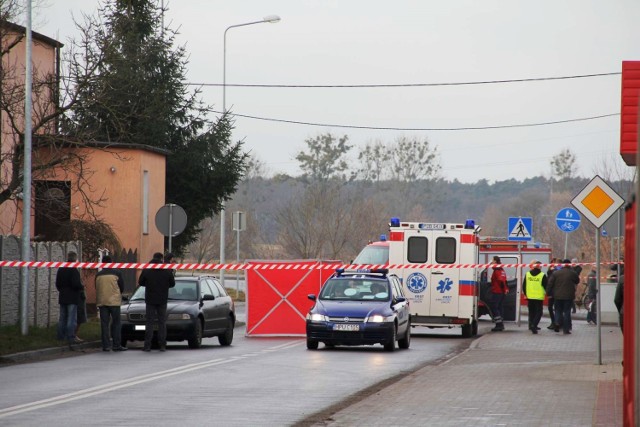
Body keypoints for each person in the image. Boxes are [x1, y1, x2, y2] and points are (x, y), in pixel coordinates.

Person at [138, 252, 176, 352]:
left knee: (149, 322)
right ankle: (162, 345)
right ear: (161, 259)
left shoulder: (147, 269)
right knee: (162, 323)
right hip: (162, 299)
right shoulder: (167, 270)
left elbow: (140, 282)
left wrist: (149, 284)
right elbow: (172, 284)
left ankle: (147, 345)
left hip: (150, 299)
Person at [96, 255, 127, 351]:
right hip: (114, 302)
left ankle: (106, 346)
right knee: (116, 323)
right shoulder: (117, 273)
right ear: (111, 262)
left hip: (102, 302)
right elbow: (121, 287)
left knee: (104, 324)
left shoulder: (98, 275)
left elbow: (96, 287)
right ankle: (116, 345)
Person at [55, 252, 84, 348]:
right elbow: (75, 284)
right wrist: (81, 286)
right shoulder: (74, 270)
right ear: (75, 259)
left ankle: (60, 336)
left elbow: (57, 284)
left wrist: (62, 290)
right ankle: (70, 337)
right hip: (72, 297)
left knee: (62, 318)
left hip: (62, 296)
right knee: (71, 319)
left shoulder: (61, 269)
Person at [547, 258, 580, 335]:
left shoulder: (556, 273)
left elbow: (550, 283)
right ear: (569, 265)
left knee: (558, 310)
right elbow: (577, 281)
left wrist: (548, 293)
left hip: (557, 296)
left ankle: (557, 323)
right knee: (567, 312)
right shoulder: (572, 273)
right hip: (568, 296)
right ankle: (566, 329)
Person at [522, 260, 547, 334]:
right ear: (539, 267)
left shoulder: (527, 274)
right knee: (539, 312)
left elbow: (524, 286)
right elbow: (546, 286)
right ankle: (534, 325)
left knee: (531, 312)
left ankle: (531, 325)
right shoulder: (542, 275)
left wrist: (526, 294)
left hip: (530, 296)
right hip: (538, 297)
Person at [489, 256, 508, 332]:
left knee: (494, 307)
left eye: (492, 260)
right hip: (501, 292)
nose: (491, 262)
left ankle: (499, 324)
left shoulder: (497, 271)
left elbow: (501, 281)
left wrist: (503, 289)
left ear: (495, 261)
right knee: (500, 307)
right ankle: (500, 324)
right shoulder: (501, 270)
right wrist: (505, 289)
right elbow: (504, 281)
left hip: (497, 292)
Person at [545, 258, 558, 329]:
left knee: (553, 308)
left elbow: (549, 284)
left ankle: (555, 322)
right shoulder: (550, 272)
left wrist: (548, 293)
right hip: (554, 293)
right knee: (552, 308)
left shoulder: (554, 272)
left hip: (553, 293)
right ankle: (554, 322)